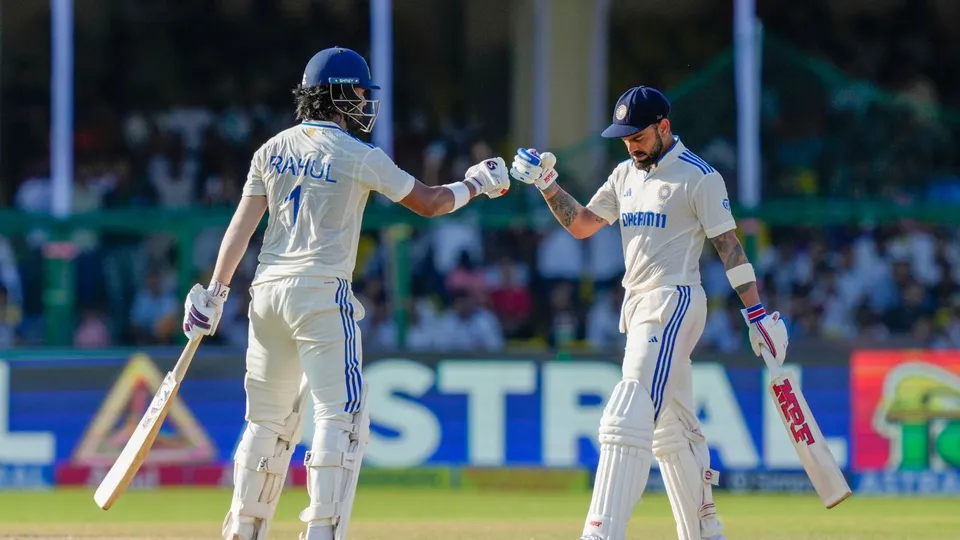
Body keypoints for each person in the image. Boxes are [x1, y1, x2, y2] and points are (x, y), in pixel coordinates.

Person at [181, 46, 510, 540]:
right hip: (319, 292)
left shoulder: (271, 149)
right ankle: (322, 532)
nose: (364, 100)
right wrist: (475, 184)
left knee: (267, 422)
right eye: (358, 91)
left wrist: (215, 292)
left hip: (266, 295)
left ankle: (245, 529)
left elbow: (240, 230)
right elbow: (430, 202)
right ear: (335, 93)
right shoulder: (359, 155)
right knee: (344, 418)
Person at [510, 86, 788, 540]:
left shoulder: (700, 176)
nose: (631, 146)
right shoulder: (624, 175)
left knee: (628, 412)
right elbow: (582, 225)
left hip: (675, 300)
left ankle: (600, 532)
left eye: (638, 136)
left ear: (663, 127)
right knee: (672, 428)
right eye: (625, 139)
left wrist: (756, 313)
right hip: (638, 305)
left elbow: (730, 247)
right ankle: (704, 530)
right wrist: (546, 184)